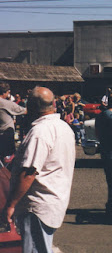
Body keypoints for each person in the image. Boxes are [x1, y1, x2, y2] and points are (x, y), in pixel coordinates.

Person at [5, 86, 75, 252]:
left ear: (32, 107)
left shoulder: (39, 132)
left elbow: (29, 173)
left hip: (36, 205)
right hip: (53, 201)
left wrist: (11, 204)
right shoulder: (64, 128)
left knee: (34, 249)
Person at [0, 81, 26, 163]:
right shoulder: (6, 103)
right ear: (5, 92)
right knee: (7, 160)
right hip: (5, 135)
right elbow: (24, 111)